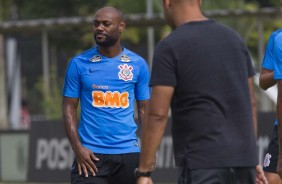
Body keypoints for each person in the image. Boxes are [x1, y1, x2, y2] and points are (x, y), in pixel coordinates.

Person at [136, 0, 268, 183]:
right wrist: (252, 159)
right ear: (200, 1)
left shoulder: (169, 46)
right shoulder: (234, 39)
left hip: (202, 162)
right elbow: (250, 103)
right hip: (243, 162)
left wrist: (144, 172)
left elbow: (157, 114)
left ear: (167, 3)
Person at [62, 6, 150, 184]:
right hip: (91, 157)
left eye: (106, 24)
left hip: (128, 155)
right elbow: (69, 107)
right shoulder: (78, 63)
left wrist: (149, 152)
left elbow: (144, 110)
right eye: (96, 24)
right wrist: (77, 148)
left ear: (121, 26)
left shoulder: (138, 64)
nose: (99, 28)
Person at [260, 29, 282, 184]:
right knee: (269, 179)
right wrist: (278, 72)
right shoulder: (277, 38)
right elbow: (262, 81)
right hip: (279, 124)